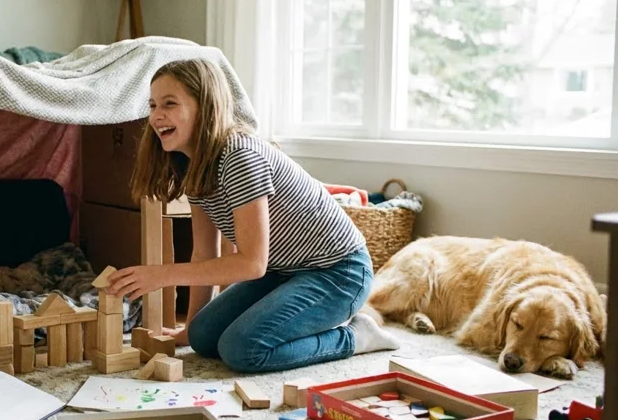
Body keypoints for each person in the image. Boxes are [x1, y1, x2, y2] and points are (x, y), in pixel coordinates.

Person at [106, 59, 400, 373]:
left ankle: (355, 336)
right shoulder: (195, 169)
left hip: (338, 272)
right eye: (152, 105)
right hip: (284, 271)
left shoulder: (239, 156)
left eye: (169, 104)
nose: (156, 115)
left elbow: (251, 263)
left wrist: (162, 275)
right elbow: (205, 253)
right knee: (203, 339)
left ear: (205, 106)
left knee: (242, 350)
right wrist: (189, 328)